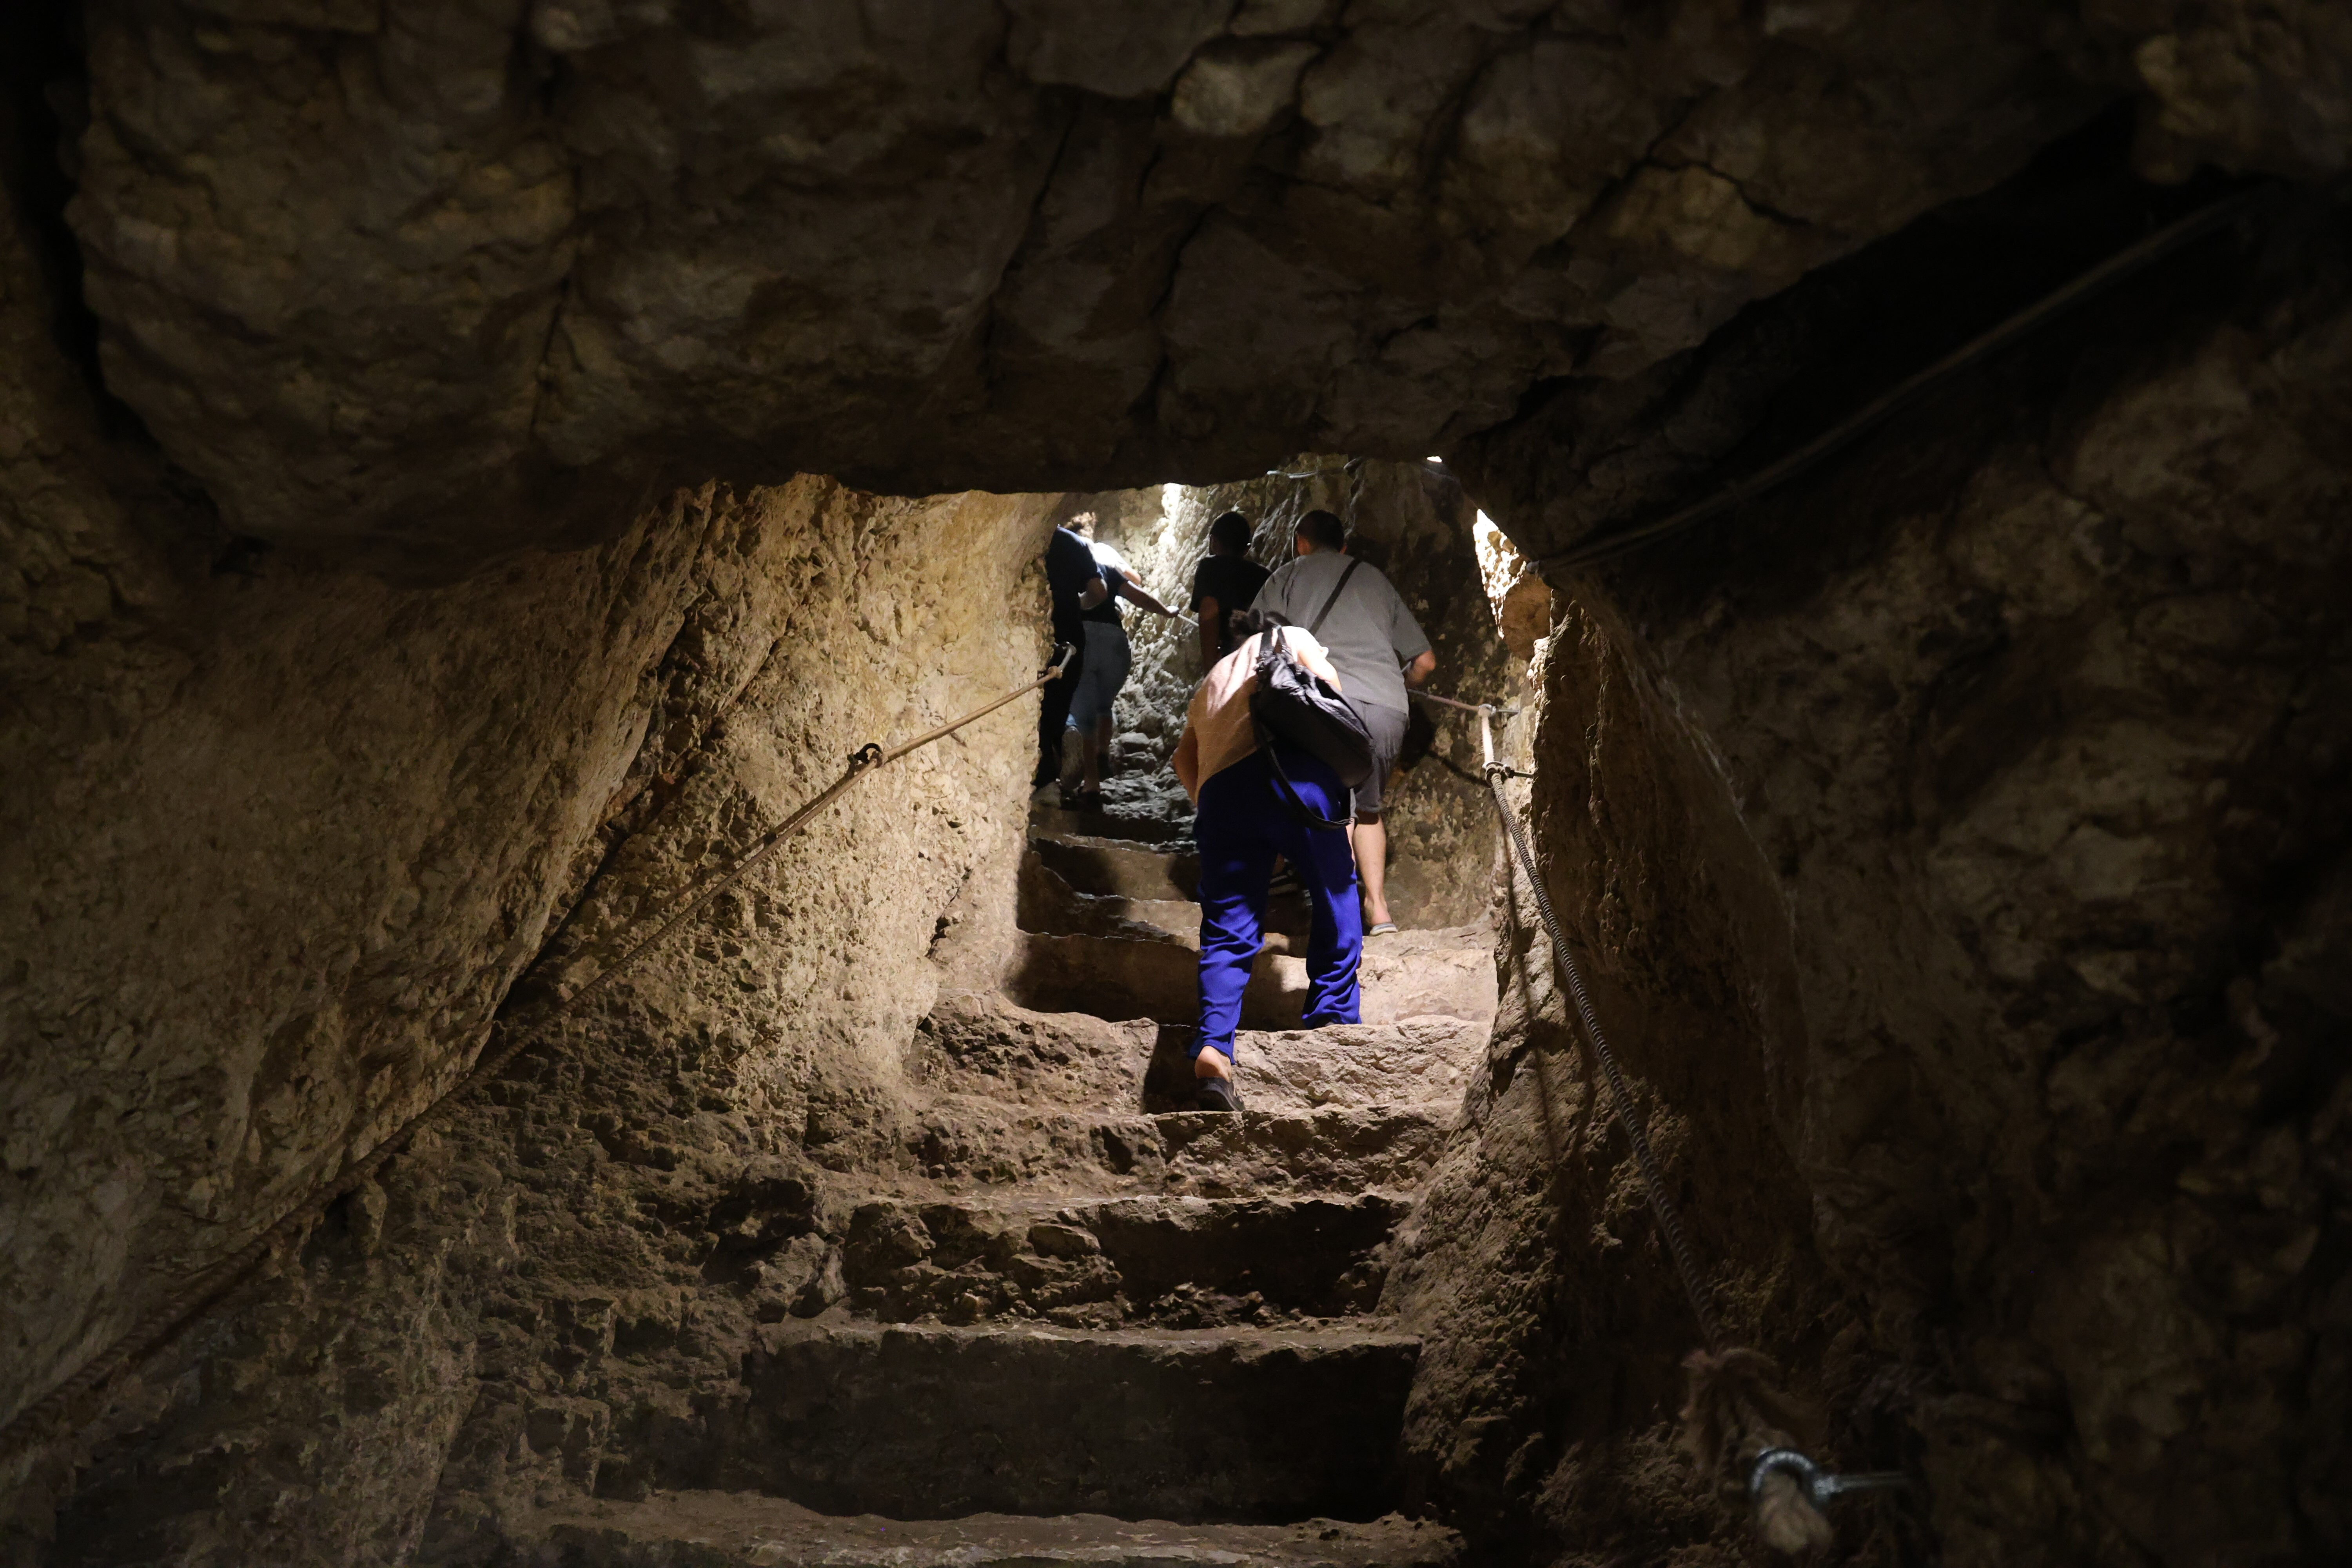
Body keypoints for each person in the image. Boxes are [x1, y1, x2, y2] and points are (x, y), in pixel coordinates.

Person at [1172, 609, 1361, 1112]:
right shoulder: (1292, 637)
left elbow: (1181, 759)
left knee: (1227, 925)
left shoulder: (1209, 682)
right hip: (1293, 774)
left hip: (1223, 796)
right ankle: (1333, 1017)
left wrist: (1216, 809)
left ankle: (1214, 1048)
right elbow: (1330, 699)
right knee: (1335, 888)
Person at [1250, 509, 1434, 936]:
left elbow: (1257, 643)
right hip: (1388, 705)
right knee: (1367, 809)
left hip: (1325, 703)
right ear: (1344, 547)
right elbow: (1424, 661)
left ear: (1301, 542)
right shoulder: (1375, 579)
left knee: (1334, 808)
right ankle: (1380, 912)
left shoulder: (1288, 576)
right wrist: (1391, 687)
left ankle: (1339, 916)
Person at [1064, 512, 1176, 807]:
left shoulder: (1066, 570)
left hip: (1084, 640)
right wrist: (1168, 612)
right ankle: (1102, 755)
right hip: (1115, 644)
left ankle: (1091, 785)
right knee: (1105, 704)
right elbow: (1139, 595)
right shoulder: (1107, 567)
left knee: (1083, 711)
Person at [1038, 513, 1106, 790]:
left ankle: (1042, 779)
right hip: (1070, 635)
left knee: (1036, 708)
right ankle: (1067, 733)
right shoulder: (1074, 543)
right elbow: (1099, 591)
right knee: (1058, 705)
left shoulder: (1032, 537)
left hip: (1037, 629)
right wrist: (1073, 605)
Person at [1188, 510, 1271, 671]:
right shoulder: (1265, 576)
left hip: (1229, 662)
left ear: (1213, 542)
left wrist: (1210, 670)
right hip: (1260, 663)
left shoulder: (1211, 567)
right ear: (1247, 549)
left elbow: (1209, 611)